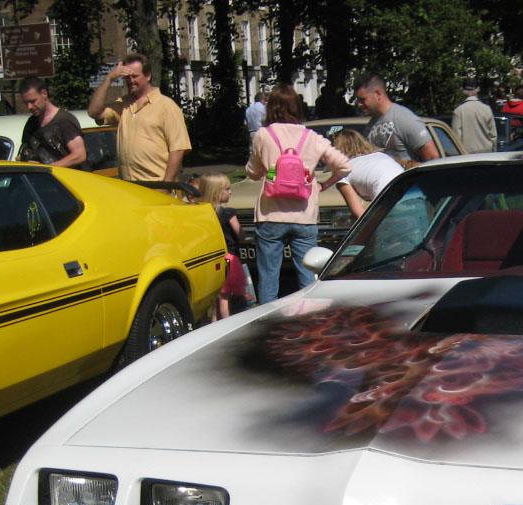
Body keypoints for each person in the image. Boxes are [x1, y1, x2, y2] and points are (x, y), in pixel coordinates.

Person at [246, 84, 352, 301]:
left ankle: (269, 325)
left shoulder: (263, 135)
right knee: (308, 274)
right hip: (304, 214)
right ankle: (310, 321)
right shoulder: (312, 137)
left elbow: (253, 172)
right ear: (297, 107)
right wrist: (324, 184)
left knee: (268, 277)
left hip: (270, 215)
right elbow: (344, 166)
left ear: (271, 108)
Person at [88, 53, 191, 183]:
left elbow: (178, 149)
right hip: (130, 186)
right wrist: (109, 79)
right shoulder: (123, 104)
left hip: (157, 185)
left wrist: (166, 186)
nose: (130, 80)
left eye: (135, 76)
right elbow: (94, 112)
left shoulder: (167, 106)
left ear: (148, 76)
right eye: (127, 77)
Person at [353, 73, 439, 163]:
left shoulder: (404, 119)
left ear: (378, 94)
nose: (359, 104)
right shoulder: (370, 126)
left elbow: (432, 157)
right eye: (358, 100)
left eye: (362, 99)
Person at [195, 173, 246, 319]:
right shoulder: (227, 213)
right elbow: (240, 234)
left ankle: (213, 323)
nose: (230, 191)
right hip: (228, 258)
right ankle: (227, 326)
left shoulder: (202, 213)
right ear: (217, 192)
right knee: (224, 298)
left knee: (215, 298)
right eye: (227, 189)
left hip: (210, 259)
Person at [331, 129, 404, 218]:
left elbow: (359, 213)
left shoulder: (343, 172)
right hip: (411, 192)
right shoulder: (382, 156)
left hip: (387, 202)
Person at [17, 77, 87, 169]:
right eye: (26, 103)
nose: (29, 107)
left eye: (33, 101)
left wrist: (46, 168)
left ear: (44, 93)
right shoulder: (31, 123)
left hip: (68, 181)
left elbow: (80, 155)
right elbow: (24, 153)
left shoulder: (64, 120)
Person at [452, 82, 496, 153]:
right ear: (478, 89)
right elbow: (493, 135)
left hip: (467, 154)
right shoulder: (486, 109)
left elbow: (457, 138)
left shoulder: (458, 111)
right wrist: (494, 151)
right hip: (486, 153)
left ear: (462, 90)